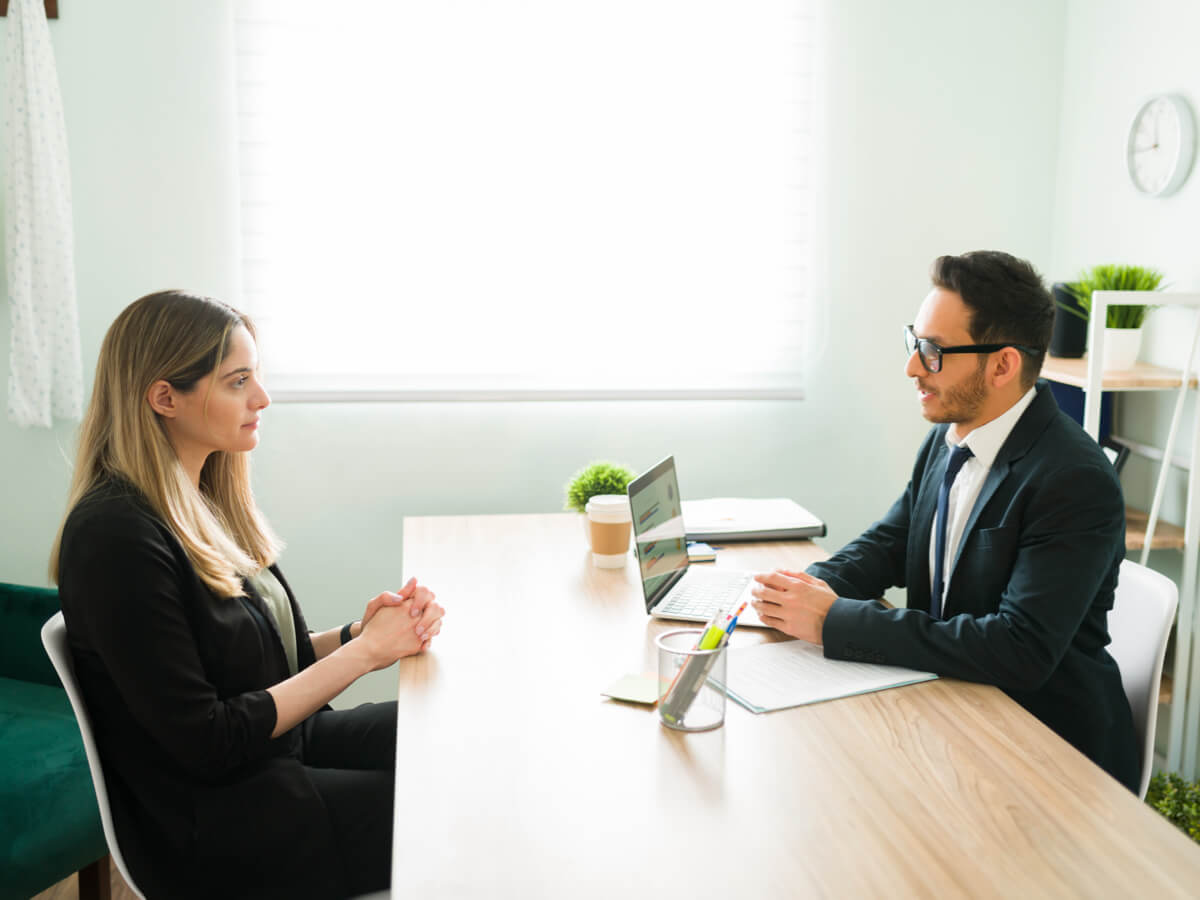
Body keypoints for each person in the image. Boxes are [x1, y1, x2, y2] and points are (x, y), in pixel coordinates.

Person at [49, 290, 445, 899]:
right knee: (457, 804)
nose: (261, 398)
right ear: (164, 398)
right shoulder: (114, 539)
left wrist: (354, 637)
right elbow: (209, 738)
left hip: (282, 752)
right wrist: (362, 657)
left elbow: (251, 664)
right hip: (226, 819)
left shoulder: (203, 498)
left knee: (461, 734)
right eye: (238, 381)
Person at [751, 251, 1139, 793]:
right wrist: (809, 588)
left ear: (1002, 365)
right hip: (954, 704)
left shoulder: (1073, 479)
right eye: (915, 343)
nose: (913, 367)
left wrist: (833, 621)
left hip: (1045, 750)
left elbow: (1018, 649)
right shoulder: (950, 433)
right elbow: (892, 540)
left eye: (933, 352)